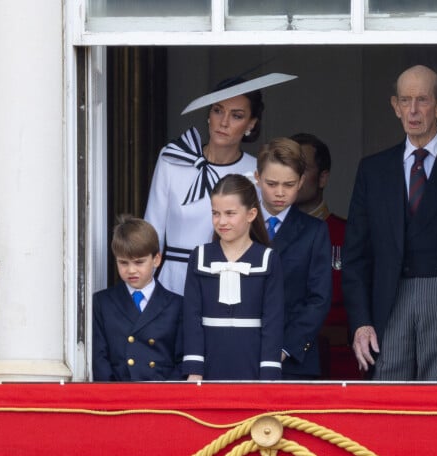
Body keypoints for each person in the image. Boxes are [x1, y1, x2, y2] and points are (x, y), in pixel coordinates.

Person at [343, 65, 437, 381]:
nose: (413, 111)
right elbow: (355, 256)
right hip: (390, 300)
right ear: (395, 106)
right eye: (405, 100)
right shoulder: (373, 170)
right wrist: (361, 321)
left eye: (423, 100)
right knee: (389, 403)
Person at [144, 73, 296, 296]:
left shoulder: (256, 171)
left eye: (236, 115)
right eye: (217, 110)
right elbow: (151, 231)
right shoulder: (173, 159)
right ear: (208, 114)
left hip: (229, 283)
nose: (224, 122)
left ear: (251, 124)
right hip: (173, 282)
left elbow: (263, 237)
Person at [182, 174, 284, 380]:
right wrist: (194, 368)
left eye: (230, 213)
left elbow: (273, 321)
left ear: (251, 214)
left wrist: (269, 373)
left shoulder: (268, 258)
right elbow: (191, 317)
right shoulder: (199, 256)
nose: (221, 221)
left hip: (252, 363)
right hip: (209, 363)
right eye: (215, 213)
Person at [255, 137, 331, 380]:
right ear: (257, 178)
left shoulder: (314, 231)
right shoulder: (238, 225)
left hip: (295, 359)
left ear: (300, 182)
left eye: (288, 184)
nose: (279, 193)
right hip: (242, 352)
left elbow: (318, 299)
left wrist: (287, 348)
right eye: (271, 183)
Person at [290, 132, 361, 380]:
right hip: (287, 358)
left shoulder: (348, 234)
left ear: (323, 178)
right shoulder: (267, 237)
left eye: (303, 168)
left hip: (343, 363)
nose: (294, 175)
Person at [92, 215, 183, 381]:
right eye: (123, 263)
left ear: (156, 259)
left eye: (139, 262)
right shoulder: (102, 303)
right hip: (119, 398)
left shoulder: (177, 305)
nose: (131, 270)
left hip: (161, 398)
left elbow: (181, 361)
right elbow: (100, 360)